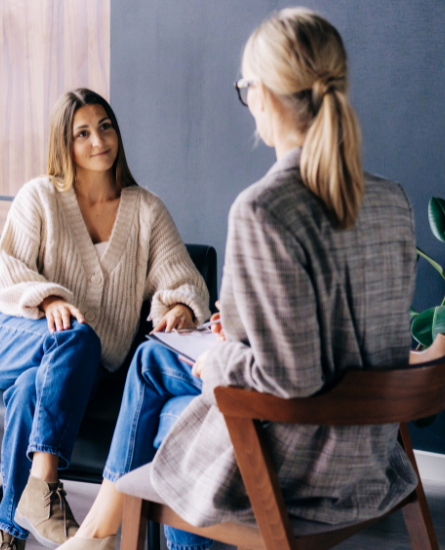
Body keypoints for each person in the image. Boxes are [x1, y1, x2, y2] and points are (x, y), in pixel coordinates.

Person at [58, 8, 418, 550]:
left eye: (245, 88)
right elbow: (351, 334)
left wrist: (223, 359)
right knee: (153, 358)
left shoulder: (264, 208)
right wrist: (244, 329)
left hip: (303, 462)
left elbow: (289, 377)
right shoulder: (391, 200)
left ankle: (99, 532)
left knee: (177, 419)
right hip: (369, 454)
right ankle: (97, 531)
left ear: (265, 95)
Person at [0, 88, 211, 550]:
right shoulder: (40, 196)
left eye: (105, 127)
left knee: (33, 387)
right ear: (64, 143)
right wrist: (48, 300)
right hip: (14, 331)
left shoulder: (146, 210)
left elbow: (182, 279)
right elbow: (7, 273)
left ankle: (10, 530)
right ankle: (44, 484)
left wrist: (180, 308)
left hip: (85, 362)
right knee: (77, 337)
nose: (98, 141)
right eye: (82, 133)